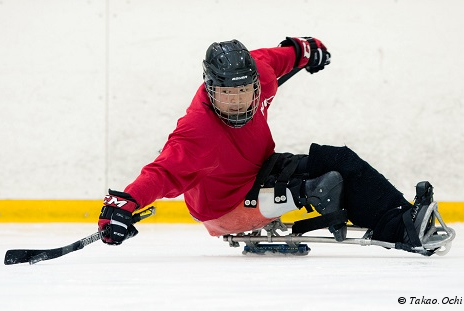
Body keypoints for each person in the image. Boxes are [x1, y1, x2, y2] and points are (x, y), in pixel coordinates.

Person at [98, 37, 439, 254]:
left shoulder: (261, 74)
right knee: (320, 187)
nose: (235, 103)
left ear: (256, 86)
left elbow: (279, 57)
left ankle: (403, 220)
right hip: (223, 209)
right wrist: (122, 205)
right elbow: (161, 171)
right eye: (225, 95)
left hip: (260, 170)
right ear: (209, 89)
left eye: (243, 92)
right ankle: (316, 198)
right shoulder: (197, 131)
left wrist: (307, 50)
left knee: (339, 159)